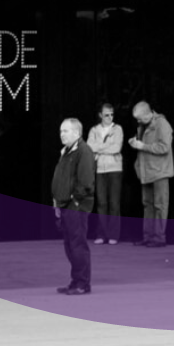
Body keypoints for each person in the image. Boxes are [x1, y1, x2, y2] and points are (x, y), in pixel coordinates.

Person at [53, 117, 98, 294]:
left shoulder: (84, 151)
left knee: (77, 245)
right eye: (61, 131)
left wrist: (75, 200)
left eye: (65, 131)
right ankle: (76, 281)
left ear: (77, 133)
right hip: (65, 204)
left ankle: (82, 284)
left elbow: (86, 181)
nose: (61, 134)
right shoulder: (66, 151)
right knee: (70, 246)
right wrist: (58, 201)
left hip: (76, 206)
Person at [130, 100, 173, 247]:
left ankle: (159, 238)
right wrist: (135, 143)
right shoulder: (142, 126)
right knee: (147, 204)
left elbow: (165, 147)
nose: (138, 121)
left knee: (160, 205)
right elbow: (144, 146)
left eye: (139, 118)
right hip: (146, 171)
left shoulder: (162, 124)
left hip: (160, 171)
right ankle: (148, 237)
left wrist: (143, 146)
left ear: (148, 114)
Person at [88, 103, 126, 245]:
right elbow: (89, 147)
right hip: (100, 169)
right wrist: (105, 147)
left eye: (112, 114)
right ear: (100, 115)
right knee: (101, 203)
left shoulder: (118, 129)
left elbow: (116, 148)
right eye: (106, 115)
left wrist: (99, 149)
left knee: (114, 203)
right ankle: (101, 234)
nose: (110, 117)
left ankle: (113, 235)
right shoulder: (94, 130)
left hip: (115, 168)